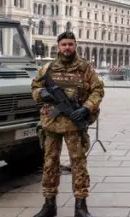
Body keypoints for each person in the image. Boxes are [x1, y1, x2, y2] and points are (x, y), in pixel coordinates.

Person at [31, 31, 105, 217]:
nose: (67, 48)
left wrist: (87, 108)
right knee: (50, 163)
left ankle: (81, 205)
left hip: (74, 124)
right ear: (58, 46)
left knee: (78, 164)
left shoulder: (85, 68)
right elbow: (34, 87)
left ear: (75, 46)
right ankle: (49, 204)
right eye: (64, 44)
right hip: (51, 123)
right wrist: (42, 94)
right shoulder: (47, 68)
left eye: (70, 44)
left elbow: (98, 90)